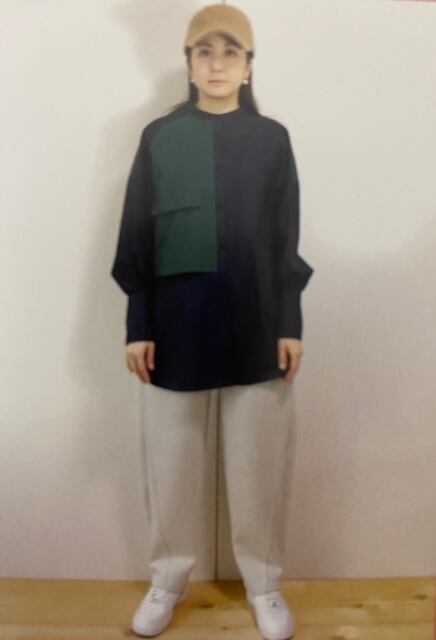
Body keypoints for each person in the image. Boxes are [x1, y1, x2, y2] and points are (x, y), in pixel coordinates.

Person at [110, 4, 315, 638]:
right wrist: (139, 323)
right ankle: (167, 580)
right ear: (189, 64)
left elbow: (284, 236)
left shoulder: (271, 139)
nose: (218, 64)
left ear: (249, 67)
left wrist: (290, 321)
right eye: (205, 52)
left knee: (258, 464)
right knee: (170, 465)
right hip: (177, 329)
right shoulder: (161, 137)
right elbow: (136, 234)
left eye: (231, 52)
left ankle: (264, 584)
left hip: (257, 324)